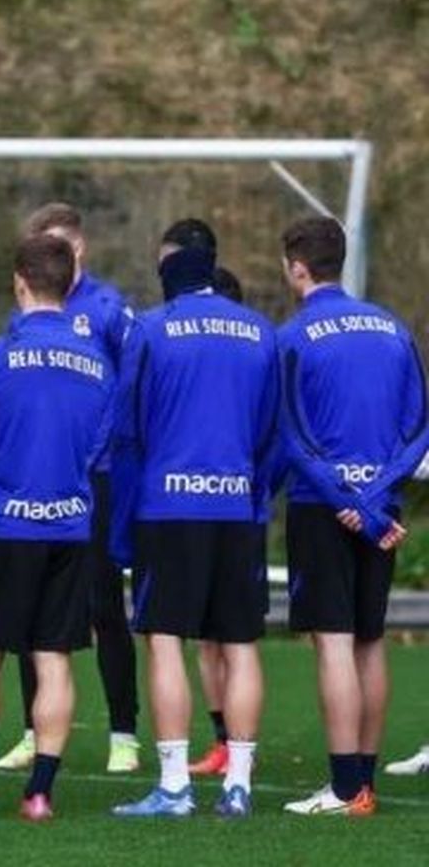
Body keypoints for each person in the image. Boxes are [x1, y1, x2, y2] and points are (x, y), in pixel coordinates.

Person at [0, 234, 114, 822]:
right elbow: (102, 443)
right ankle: (40, 792)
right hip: (69, 526)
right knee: (54, 658)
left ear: (18, 282)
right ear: (69, 285)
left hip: (7, 524)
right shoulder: (98, 363)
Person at [110, 218, 278, 820]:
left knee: (165, 642)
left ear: (167, 277)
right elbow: (269, 430)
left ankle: (176, 785)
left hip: (168, 505)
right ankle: (239, 784)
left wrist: (122, 526)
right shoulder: (262, 332)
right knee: (240, 643)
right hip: (236, 505)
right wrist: (250, 489)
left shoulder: (152, 331)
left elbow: (128, 430)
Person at [0, 203, 139, 776]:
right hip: (35, 480)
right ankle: (33, 730)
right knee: (31, 609)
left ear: (79, 250)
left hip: (95, 482)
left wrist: (97, 454)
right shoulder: (24, 313)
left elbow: (130, 392)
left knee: (105, 606)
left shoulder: (108, 310)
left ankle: (123, 733)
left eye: (56, 247)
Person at [274, 216, 418, 816]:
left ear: (297, 267)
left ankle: (341, 787)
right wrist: (375, 498)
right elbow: (417, 427)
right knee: (370, 640)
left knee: (333, 642)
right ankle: (365, 783)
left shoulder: (293, 336)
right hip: (383, 510)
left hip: (323, 507)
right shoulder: (394, 328)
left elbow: (289, 433)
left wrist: (343, 501)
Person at [189, 266, 248, 779]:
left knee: (232, 638)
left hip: (233, 514)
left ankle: (239, 748)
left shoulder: (252, 356)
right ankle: (224, 742)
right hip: (199, 511)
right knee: (208, 639)